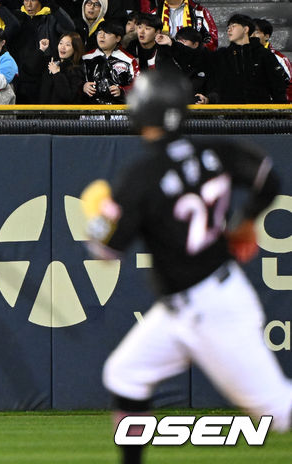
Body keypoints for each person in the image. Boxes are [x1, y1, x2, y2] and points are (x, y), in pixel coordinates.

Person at [80, 68, 292, 464]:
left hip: (209, 308)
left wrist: (96, 218)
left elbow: (106, 253)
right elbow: (269, 180)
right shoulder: (216, 151)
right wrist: (245, 222)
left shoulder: (142, 175)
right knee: (125, 374)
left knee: (278, 411)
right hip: (191, 303)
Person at [209, 14, 286, 104]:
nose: (229, 30)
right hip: (230, 113)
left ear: (246, 29)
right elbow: (215, 84)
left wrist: (281, 113)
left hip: (260, 114)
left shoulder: (264, 54)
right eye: (228, 27)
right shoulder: (222, 55)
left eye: (233, 26)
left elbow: (277, 86)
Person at [11, 0, 75, 103]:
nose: (29, 4)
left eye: (33, 0)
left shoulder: (50, 18)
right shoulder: (17, 17)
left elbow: (70, 28)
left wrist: (55, 7)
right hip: (21, 78)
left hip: (43, 78)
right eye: (26, 0)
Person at [81, 20, 138, 104]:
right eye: (99, 32)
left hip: (119, 112)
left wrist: (122, 91)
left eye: (107, 33)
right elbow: (75, 81)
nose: (101, 36)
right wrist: (83, 87)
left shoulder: (129, 60)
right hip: (90, 111)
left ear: (118, 38)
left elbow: (137, 85)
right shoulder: (86, 58)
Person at [142, 0, 217, 51]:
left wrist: (195, 50)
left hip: (193, 63)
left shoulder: (199, 12)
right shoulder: (154, 14)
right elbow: (146, 43)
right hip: (165, 63)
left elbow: (212, 40)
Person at [251, 18, 292, 103]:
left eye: (256, 32)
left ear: (267, 36)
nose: (252, 36)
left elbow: (289, 86)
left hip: (271, 109)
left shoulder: (280, 59)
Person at [38, 31, 84, 104]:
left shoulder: (76, 70)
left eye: (67, 45)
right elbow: (29, 69)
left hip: (62, 114)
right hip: (44, 113)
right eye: (61, 43)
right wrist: (41, 50)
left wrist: (57, 74)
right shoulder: (51, 62)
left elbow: (68, 96)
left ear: (75, 49)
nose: (62, 47)